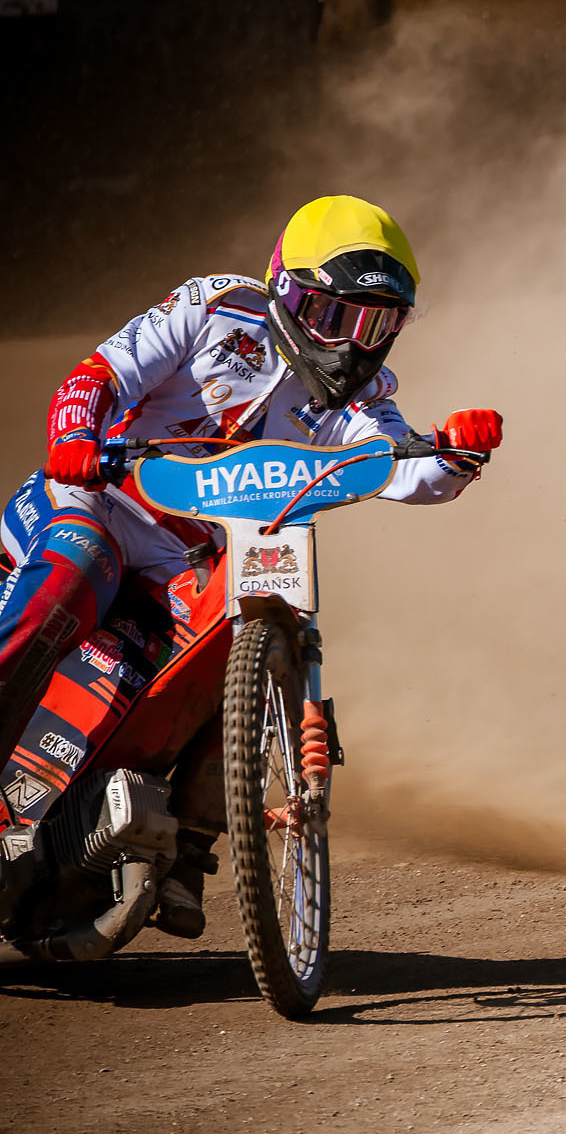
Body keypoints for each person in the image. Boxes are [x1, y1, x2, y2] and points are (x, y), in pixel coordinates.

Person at [0, 195, 505, 933]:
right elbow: (97, 374)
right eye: (340, 317)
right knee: (79, 564)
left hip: (185, 560)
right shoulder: (215, 306)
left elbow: (405, 471)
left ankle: (178, 843)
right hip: (101, 502)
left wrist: (454, 453)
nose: (355, 347)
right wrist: (75, 433)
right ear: (292, 294)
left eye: (379, 326)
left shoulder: (363, 401)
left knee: (226, 633)